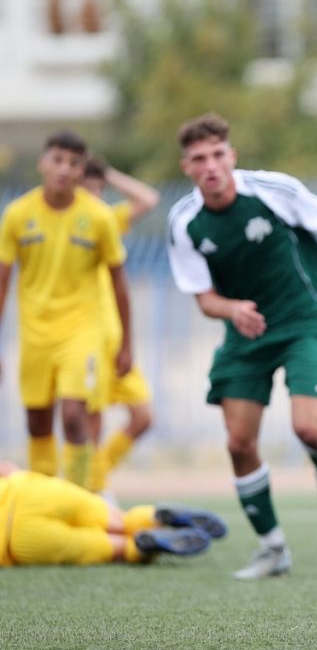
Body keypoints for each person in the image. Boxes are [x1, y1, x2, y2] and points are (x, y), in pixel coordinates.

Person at [166, 113, 317, 580]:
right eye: (198, 159)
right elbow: (204, 299)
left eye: (216, 155)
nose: (210, 166)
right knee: (238, 442)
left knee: (309, 429)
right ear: (186, 167)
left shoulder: (271, 189)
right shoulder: (184, 222)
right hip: (245, 334)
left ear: (232, 156)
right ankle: (273, 548)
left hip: (302, 320)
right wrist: (232, 311)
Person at [0, 131, 132, 489]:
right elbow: (2, 282)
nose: (64, 169)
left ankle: (83, 497)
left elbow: (120, 284)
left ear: (81, 171)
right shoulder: (17, 215)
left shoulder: (100, 218)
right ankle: (46, 501)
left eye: (74, 163)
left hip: (81, 333)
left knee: (75, 414)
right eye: (58, 160)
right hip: (35, 336)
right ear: (44, 163)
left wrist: (126, 345)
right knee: (37, 422)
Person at [80, 157, 159, 494]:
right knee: (90, 422)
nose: (96, 195)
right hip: (85, 340)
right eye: (90, 188)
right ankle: (90, 489)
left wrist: (107, 172)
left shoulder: (106, 221)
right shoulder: (69, 227)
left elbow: (148, 199)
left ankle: (94, 478)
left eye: (99, 189)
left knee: (143, 418)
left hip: (115, 339)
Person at [0, 461, 224, 566]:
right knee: (120, 519)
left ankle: (138, 546)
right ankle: (153, 516)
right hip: (28, 491)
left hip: (18, 540)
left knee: (114, 547)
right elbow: (6, 468)